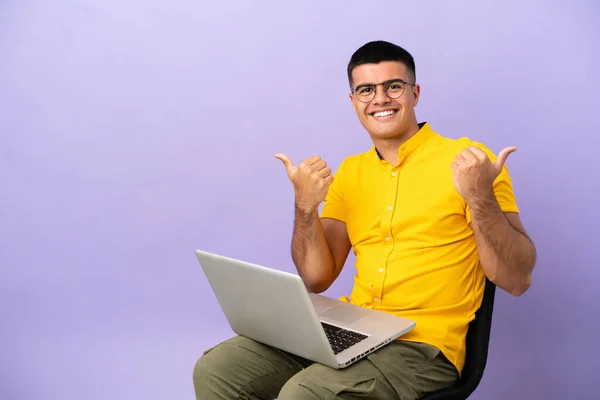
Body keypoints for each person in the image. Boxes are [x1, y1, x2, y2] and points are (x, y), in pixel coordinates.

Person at [192, 40, 537, 400]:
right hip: (353, 329)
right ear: (354, 101)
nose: (380, 99)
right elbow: (316, 277)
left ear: (415, 93)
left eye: (394, 86)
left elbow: (517, 279)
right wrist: (305, 207)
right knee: (218, 370)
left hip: (421, 345)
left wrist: (479, 196)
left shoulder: (469, 161)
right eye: (366, 90)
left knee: (304, 394)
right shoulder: (351, 172)